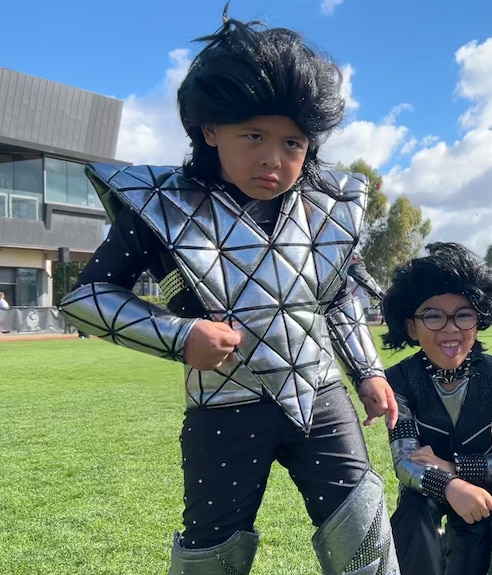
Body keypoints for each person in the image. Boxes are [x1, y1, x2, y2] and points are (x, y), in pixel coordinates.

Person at [59, 12, 399, 575]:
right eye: (253, 135)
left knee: (364, 533)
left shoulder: (328, 208)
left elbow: (336, 296)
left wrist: (369, 370)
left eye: (292, 141)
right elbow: (86, 297)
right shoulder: (160, 205)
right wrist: (179, 334)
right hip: (223, 406)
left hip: (321, 395)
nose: (273, 157)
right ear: (210, 129)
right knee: (211, 548)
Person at [381, 242, 492, 575]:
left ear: (479, 321)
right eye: (433, 315)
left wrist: (454, 468)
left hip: (478, 497)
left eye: (463, 314)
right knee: (415, 525)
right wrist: (447, 484)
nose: (450, 327)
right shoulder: (400, 382)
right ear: (411, 327)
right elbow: (404, 461)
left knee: (469, 555)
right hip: (422, 492)